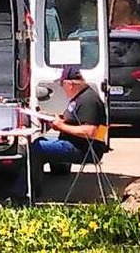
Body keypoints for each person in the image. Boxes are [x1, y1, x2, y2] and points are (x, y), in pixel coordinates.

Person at [28, 64, 108, 198]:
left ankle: (27, 193)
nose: (62, 88)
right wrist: (52, 119)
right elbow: (74, 121)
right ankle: (52, 175)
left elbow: (90, 131)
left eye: (61, 84)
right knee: (41, 141)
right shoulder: (80, 97)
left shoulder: (88, 100)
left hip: (85, 149)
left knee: (36, 148)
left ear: (70, 84)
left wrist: (61, 126)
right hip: (74, 143)